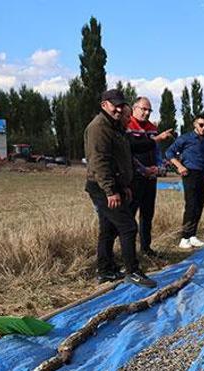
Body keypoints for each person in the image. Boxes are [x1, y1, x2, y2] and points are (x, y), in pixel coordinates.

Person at [84, 89, 156, 288]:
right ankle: (132, 271)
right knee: (128, 226)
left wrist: (123, 186)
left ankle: (106, 271)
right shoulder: (99, 127)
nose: (118, 108)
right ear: (104, 105)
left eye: (120, 104)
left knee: (108, 229)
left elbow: (122, 158)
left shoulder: (115, 126)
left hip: (114, 185)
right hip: (101, 187)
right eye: (114, 105)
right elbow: (99, 162)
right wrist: (110, 191)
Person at [126, 96, 173, 257]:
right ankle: (128, 251)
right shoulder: (127, 125)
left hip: (151, 178)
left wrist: (160, 167)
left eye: (149, 110)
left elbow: (156, 151)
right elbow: (129, 152)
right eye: (143, 109)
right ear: (134, 108)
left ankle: (146, 248)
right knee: (129, 216)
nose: (146, 113)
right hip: (134, 177)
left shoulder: (153, 128)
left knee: (147, 214)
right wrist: (142, 169)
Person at [166, 113, 204, 249]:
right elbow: (169, 152)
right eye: (201, 125)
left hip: (203, 173)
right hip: (190, 173)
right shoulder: (185, 138)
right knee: (191, 205)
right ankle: (184, 237)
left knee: (199, 205)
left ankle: (193, 235)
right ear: (195, 124)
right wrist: (180, 166)